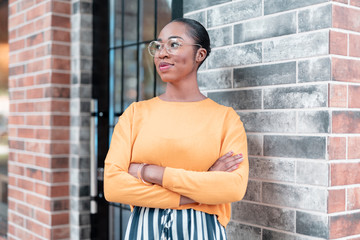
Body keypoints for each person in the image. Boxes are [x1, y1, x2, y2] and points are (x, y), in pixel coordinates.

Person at [104, 18, 249, 239]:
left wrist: (149, 172)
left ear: (199, 54)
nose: (162, 53)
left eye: (173, 44)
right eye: (159, 46)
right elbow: (113, 186)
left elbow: (233, 188)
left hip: (203, 230)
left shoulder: (225, 119)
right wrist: (197, 190)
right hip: (144, 229)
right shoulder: (135, 114)